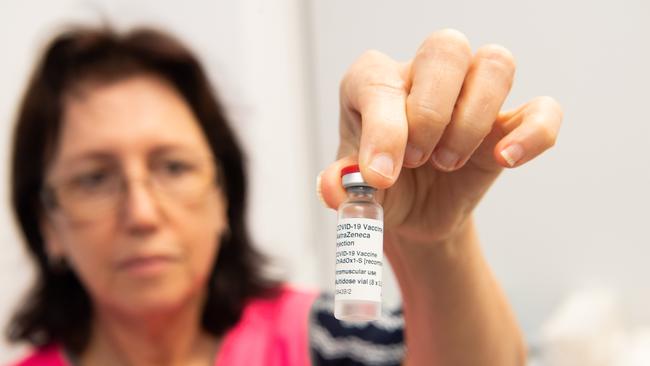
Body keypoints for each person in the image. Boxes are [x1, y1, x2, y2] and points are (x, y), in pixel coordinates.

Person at [6, 24, 562, 366]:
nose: (142, 213)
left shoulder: (330, 340)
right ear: (47, 222)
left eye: (173, 166)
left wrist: (433, 242)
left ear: (223, 195)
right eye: (94, 179)